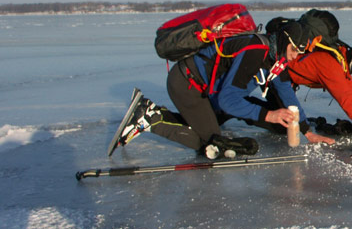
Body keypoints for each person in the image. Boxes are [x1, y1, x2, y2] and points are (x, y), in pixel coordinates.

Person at [111, 21, 331, 158]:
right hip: (187, 84)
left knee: (215, 124)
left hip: (206, 90)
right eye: (294, 50)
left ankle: (152, 112)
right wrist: (269, 115)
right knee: (210, 143)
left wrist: (306, 129)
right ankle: (150, 118)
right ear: (285, 42)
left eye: (299, 53)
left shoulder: (277, 59)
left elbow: (286, 93)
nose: (295, 56)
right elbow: (228, 100)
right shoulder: (256, 51)